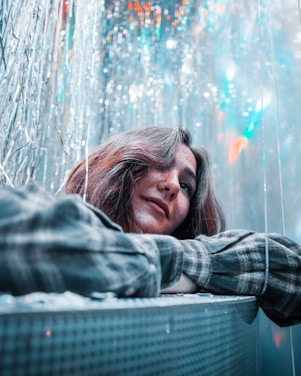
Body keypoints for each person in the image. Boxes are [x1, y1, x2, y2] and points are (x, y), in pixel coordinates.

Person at [0, 127, 300, 327]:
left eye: (186, 186)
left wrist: (186, 264)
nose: (171, 186)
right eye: (159, 162)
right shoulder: (37, 216)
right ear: (119, 163)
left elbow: (290, 270)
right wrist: (175, 267)